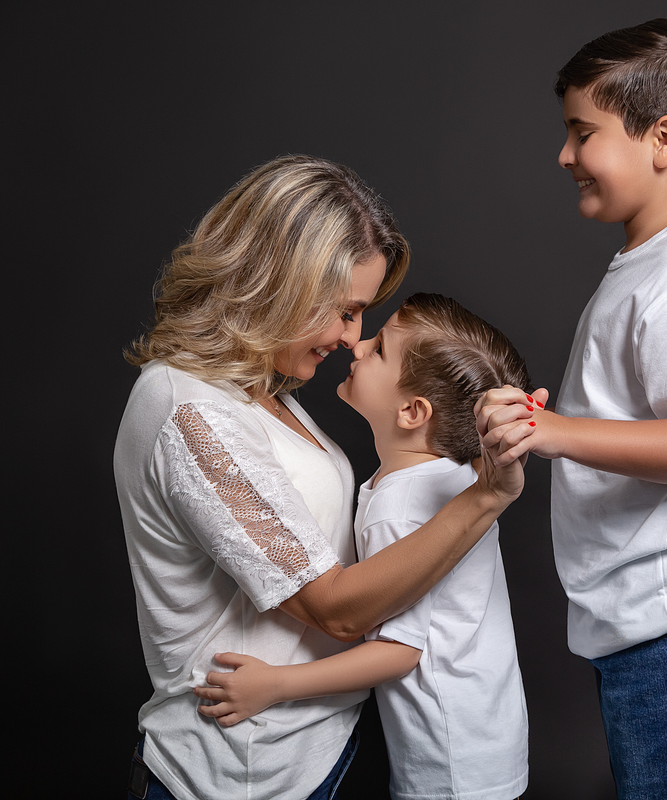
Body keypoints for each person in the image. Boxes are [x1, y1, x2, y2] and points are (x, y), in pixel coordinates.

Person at [114, 156, 527, 800]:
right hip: (236, 773)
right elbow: (333, 608)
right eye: (345, 310)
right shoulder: (190, 412)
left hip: (317, 752)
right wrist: (487, 495)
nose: (351, 336)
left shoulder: (259, 387)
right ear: (281, 285)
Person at [475, 19, 667, 800]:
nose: (565, 155)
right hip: (655, 617)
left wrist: (557, 432)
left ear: (664, 138)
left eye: (582, 133)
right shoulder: (648, 263)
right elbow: (640, 414)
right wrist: (560, 419)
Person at [192, 293, 531, 800]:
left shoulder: (400, 504)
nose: (358, 343)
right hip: (489, 740)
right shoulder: (451, 478)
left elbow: (398, 653)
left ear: (413, 411)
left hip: (449, 761)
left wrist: (276, 684)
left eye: (379, 351)